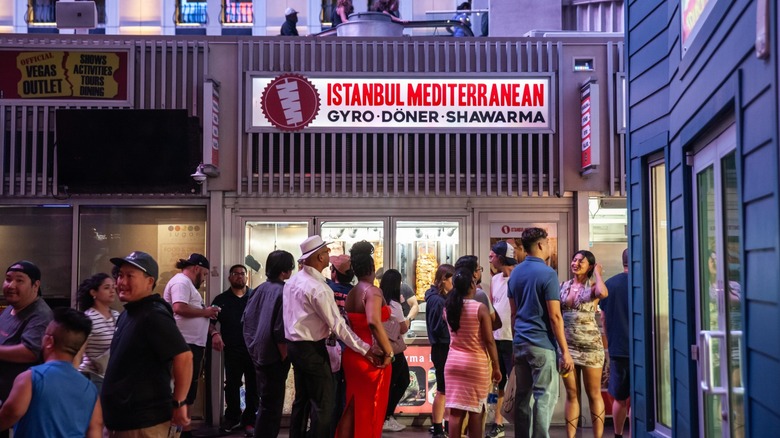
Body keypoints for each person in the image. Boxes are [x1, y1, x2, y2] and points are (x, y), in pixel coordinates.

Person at [283, 235, 381, 438]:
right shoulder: (318, 288)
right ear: (320, 257)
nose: (329, 255)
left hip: (294, 346)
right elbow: (338, 326)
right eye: (327, 252)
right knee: (323, 404)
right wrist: (365, 349)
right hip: (312, 349)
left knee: (302, 401)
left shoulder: (293, 282)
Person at [102, 251, 193, 436]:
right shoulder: (127, 314)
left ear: (149, 281)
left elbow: (184, 357)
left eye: (130, 276)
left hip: (144, 424)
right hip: (121, 423)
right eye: (120, 275)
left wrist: (179, 402)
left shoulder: (153, 314)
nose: (121, 282)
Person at [508, 227, 574, 438]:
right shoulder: (548, 273)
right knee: (544, 397)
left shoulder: (515, 273)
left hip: (520, 342)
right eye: (547, 243)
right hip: (542, 344)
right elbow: (555, 316)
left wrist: (515, 343)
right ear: (539, 245)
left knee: (522, 397)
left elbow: (513, 313)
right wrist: (565, 351)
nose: (549, 247)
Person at [0, 307, 102, 437]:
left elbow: (10, 414)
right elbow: (95, 430)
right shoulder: (90, 389)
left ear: (49, 341)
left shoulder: (31, 378)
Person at [336, 241, 394, 438]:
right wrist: (389, 352)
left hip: (353, 355)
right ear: (372, 267)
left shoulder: (352, 293)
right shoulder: (372, 291)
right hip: (373, 356)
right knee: (372, 408)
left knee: (353, 406)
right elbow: (374, 322)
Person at [163, 253, 218, 438]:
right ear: (196, 268)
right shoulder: (181, 282)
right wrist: (205, 312)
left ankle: (184, 430)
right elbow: (179, 308)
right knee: (182, 388)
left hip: (191, 344)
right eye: (205, 274)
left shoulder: (186, 284)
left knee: (188, 388)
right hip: (184, 344)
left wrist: (209, 323)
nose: (204, 279)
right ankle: (178, 432)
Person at [444, 266, 502, 438]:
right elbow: (489, 341)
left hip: (453, 363)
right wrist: (496, 366)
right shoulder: (479, 308)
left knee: (455, 413)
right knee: (476, 411)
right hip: (475, 365)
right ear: (471, 285)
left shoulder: (448, 308)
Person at [244, 250, 295, 438]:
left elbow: (247, 321)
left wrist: (253, 348)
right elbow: (280, 329)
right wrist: (284, 355)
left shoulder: (259, 289)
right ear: (285, 270)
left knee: (265, 403)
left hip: (258, 354)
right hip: (274, 356)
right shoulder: (284, 291)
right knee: (272, 407)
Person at [0, 260, 53, 438]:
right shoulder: (10, 309)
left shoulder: (40, 314)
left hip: (22, 405)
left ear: (35, 285)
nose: (11, 285)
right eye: (8, 279)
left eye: (19, 280)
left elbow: (30, 352)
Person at [560, 250, 608, 438]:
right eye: (574, 260)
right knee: (572, 393)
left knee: (593, 393)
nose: (576, 264)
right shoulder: (564, 286)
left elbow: (603, 293)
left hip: (591, 347)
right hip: (568, 347)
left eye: (582, 261)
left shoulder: (594, 286)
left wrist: (597, 273)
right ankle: (570, 436)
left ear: (590, 266)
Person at [210, 264, 257, 436]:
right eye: (235, 273)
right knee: (232, 385)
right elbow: (210, 322)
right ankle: (232, 417)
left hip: (253, 349)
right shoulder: (221, 299)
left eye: (242, 273)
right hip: (231, 349)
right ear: (229, 277)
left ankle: (250, 420)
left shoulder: (255, 297)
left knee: (254, 385)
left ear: (247, 277)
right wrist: (215, 334)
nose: (239, 276)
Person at [486, 241, 518, 438]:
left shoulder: (518, 277)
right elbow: (492, 307)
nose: (490, 258)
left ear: (501, 257)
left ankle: (522, 421)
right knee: (499, 381)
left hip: (513, 338)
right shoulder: (495, 279)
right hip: (497, 337)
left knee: (517, 382)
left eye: (493, 255)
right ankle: (498, 423)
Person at [600, 249, 630, 438]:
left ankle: (618, 434)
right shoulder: (645, 282)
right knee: (638, 397)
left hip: (618, 347)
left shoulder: (609, 284)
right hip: (642, 350)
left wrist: (610, 340)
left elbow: (603, 318)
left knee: (620, 397)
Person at [424, 263, 455, 438]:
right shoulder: (437, 301)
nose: (454, 285)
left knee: (446, 390)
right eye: (452, 280)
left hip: (442, 347)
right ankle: (438, 428)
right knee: (443, 389)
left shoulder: (438, 298)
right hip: (442, 348)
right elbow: (439, 327)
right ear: (444, 279)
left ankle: (445, 426)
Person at [77, 272, 120, 393]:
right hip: (93, 377)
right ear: (93, 292)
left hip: (112, 377)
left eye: (113, 287)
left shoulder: (117, 315)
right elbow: (78, 351)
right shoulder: (88, 318)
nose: (112, 291)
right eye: (106, 288)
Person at [325, 254, 353, 436]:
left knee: (329, 392)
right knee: (345, 392)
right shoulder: (355, 292)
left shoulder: (327, 290)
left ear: (334, 272)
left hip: (329, 346)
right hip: (350, 347)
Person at [380, 268, 410, 433]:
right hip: (395, 350)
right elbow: (403, 328)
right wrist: (408, 320)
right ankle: (386, 416)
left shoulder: (379, 300)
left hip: (382, 347)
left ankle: (385, 415)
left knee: (389, 383)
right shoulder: (395, 304)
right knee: (402, 381)